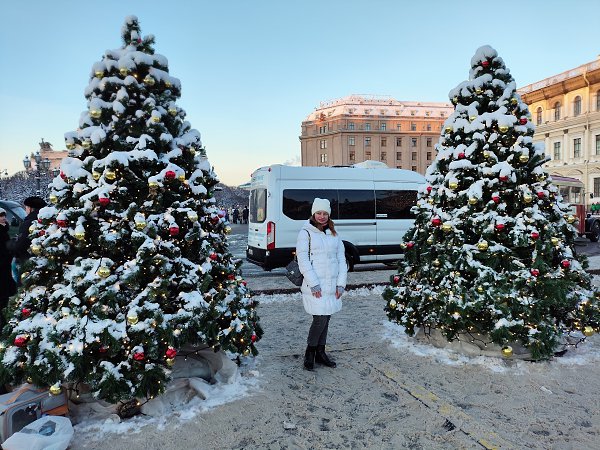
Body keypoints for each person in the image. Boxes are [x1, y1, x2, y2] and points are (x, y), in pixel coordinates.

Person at [296, 198, 347, 371]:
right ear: (313, 213)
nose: (322, 216)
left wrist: (341, 284)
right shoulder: (306, 233)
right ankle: (310, 352)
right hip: (315, 286)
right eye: (319, 213)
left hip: (332, 286)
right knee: (319, 319)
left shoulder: (334, 233)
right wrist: (314, 284)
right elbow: (303, 260)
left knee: (327, 318)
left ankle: (321, 352)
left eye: (325, 213)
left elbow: (341, 260)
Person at [6, 196, 47, 283]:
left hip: (28, 260)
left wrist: (10, 244)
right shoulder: (46, 220)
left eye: (26, 207)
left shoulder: (29, 222)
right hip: (43, 261)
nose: (25, 210)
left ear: (31, 208)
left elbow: (22, 244)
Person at [0, 208, 17, 329]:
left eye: (4, 216)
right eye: (1, 216)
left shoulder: (4, 229)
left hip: (5, 267)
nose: (4, 218)